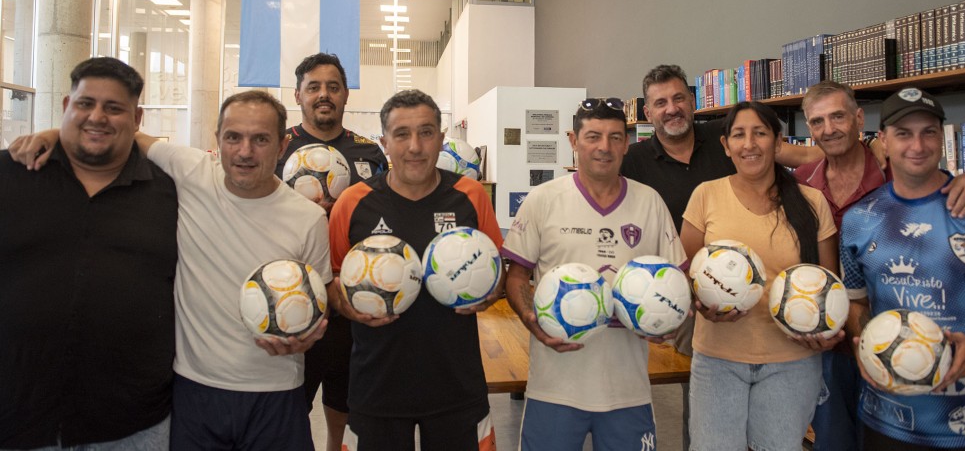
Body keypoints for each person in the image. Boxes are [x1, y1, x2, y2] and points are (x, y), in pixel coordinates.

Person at [12, 90, 331, 450]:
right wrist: (53, 134)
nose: (244, 151)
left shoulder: (309, 218)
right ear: (217, 140)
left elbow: (319, 297)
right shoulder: (191, 171)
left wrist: (311, 334)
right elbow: (121, 131)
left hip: (277, 393)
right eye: (233, 137)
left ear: (283, 145)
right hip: (193, 390)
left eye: (260, 139)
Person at [796, 81, 965, 451]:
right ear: (809, 129)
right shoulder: (799, 186)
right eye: (818, 121)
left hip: (908, 343)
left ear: (859, 118)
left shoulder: (900, 172)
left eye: (838, 116)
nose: (829, 129)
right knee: (834, 442)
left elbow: (950, 191)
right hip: (828, 349)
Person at [1, 58, 178, 450]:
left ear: (137, 117)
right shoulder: (10, 175)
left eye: (114, 108)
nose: (97, 117)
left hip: (132, 424)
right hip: (16, 418)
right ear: (66, 105)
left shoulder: (170, 195)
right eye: (85, 104)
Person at [841, 87, 965, 449]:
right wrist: (864, 344)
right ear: (883, 141)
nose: (918, 146)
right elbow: (856, 303)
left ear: (943, 137)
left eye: (929, 132)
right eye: (903, 133)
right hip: (890, 422)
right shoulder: (859, 220)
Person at [328, 89, 504, 451]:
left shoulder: (471, 195)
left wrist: (487, 295)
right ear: (385, 142)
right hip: (376, 386)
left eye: (426, 132)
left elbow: (498, 272)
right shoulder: (352, 202)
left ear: (441, 139)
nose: (415, 146)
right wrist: (349, 306)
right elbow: (332, 279)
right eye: (401, 134)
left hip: (458, 385)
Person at [503, 97, 682, 451]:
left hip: (627, 390)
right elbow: (517, 276)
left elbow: (676, 279)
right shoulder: (543, 199)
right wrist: (531, 319)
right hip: (554, 387)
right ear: (573, 140)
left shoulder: (650, 202)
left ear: (627, 143)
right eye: (593, 136)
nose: (605, 147)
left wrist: (670, 318)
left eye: (616, 137)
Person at [680, 101, 841, 451]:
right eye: (738, 135)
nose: (749, 144)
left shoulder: (812, 202)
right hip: (717, 358)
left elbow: (830, 286)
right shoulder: (706, 195)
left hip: (792, 361)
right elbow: (687, 275)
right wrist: (702, 304)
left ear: (777, 142)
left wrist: (826, 332)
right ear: (726, 145)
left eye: (760, 133)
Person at [278, 53, 387, 451]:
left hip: (347, 288)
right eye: (314, 87)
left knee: (342, 385)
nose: (324, 95)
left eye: (333, 87)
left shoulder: (368, 152)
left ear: (344, 96)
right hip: (291, 287)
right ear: (298, 95)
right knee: (292, 388)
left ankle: (334, 446)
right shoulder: (278, 145)